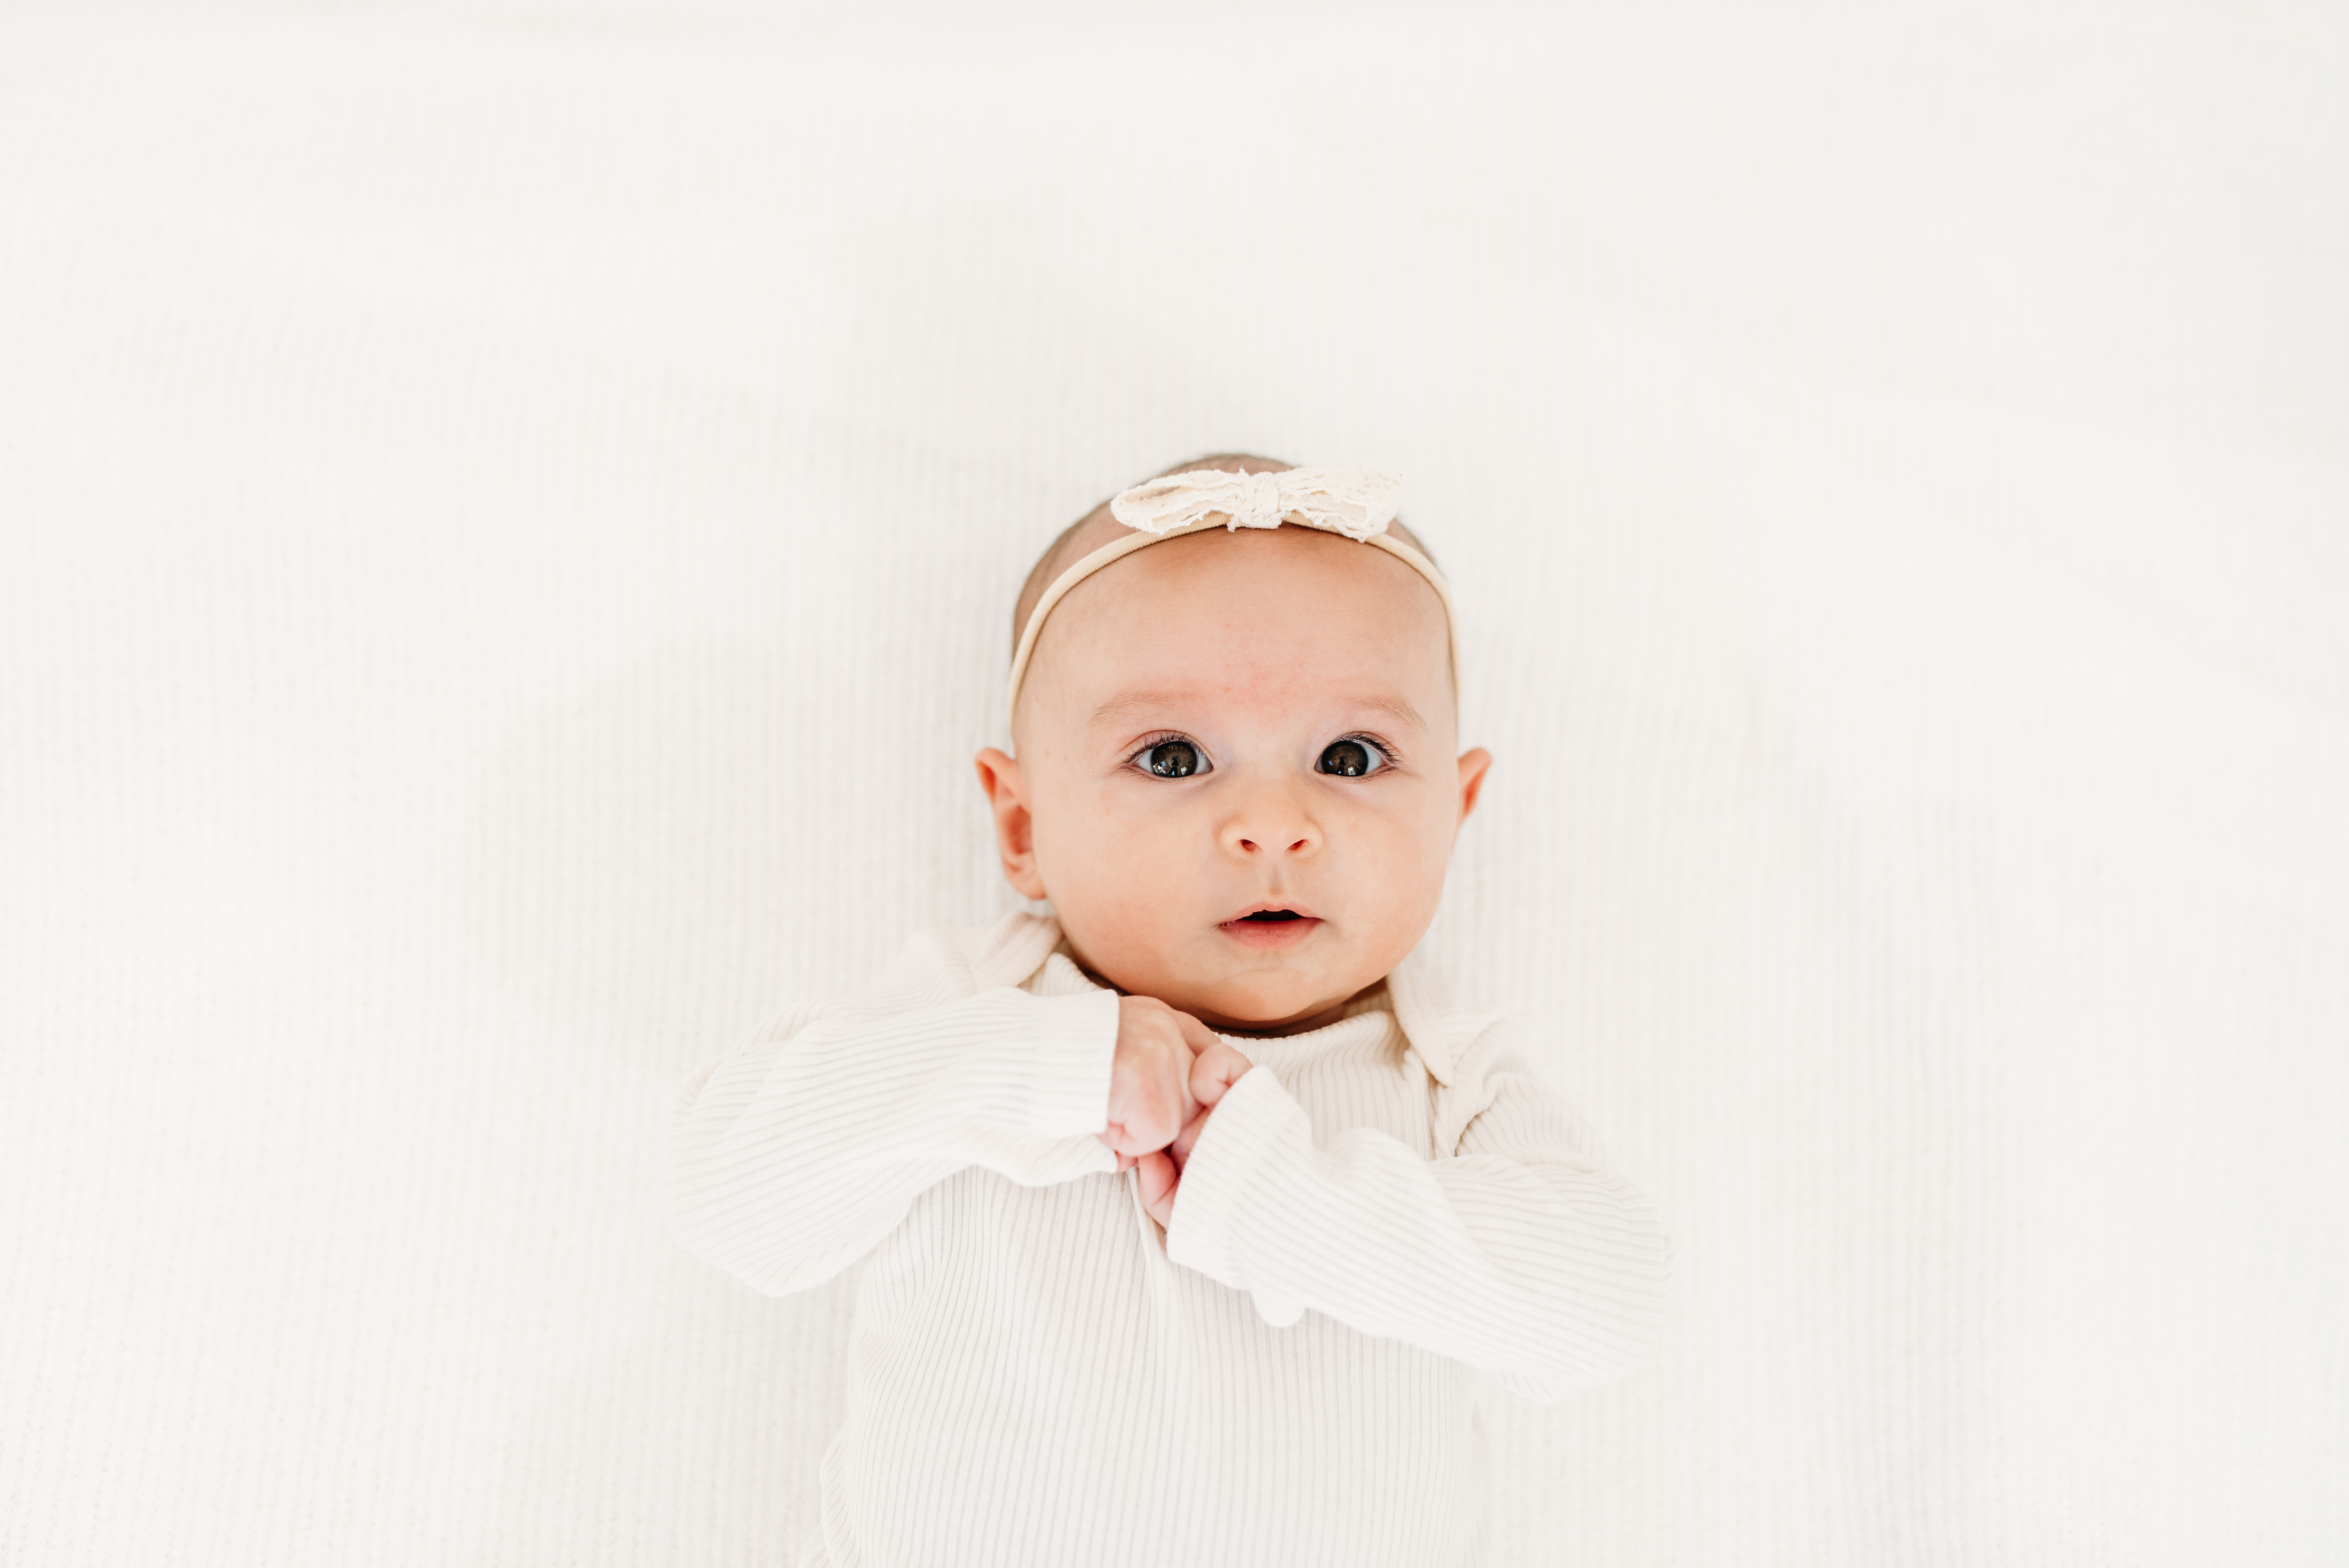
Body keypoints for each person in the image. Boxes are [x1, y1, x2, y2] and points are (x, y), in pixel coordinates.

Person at [661, 454, 1672, 1567]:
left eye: (1350, 757)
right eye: (1174, 757)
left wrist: (1279, 1199)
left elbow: (1607, 1312)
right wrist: (1047, 1069)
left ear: (1456, 811)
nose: (1272, 823)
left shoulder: (1446, 1069)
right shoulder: (984, 1005)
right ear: (1023, 827)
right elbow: (724, 1190)